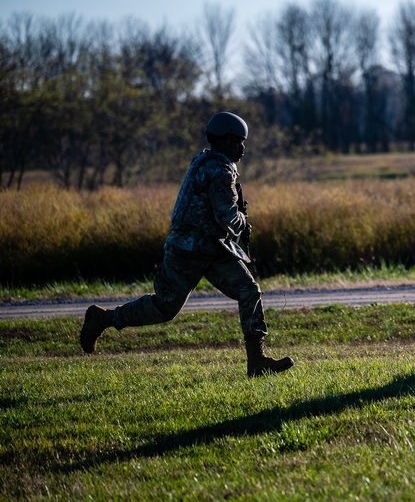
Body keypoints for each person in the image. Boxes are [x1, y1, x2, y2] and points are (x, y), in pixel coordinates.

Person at [80, 112, 295, 378]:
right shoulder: (221, 170)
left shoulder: (202, 161)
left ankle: (257, 361)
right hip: (189, 251)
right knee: (165, 308)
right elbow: (227, 216)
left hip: (212, 247)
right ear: (227, 141)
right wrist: (243, 221)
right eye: (240, 142)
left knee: (249, 291)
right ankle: (103, 319)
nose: (243, 148)